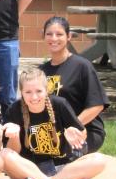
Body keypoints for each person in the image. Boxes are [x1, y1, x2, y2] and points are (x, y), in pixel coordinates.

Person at [0, 68, 106, 179]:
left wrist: (73, 135)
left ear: (46, 90)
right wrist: (15, 136)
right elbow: (12, 153)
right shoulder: (14, 110)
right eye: (28, 92)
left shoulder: (60, 104)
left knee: (99, 160)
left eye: (39, 91)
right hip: (30, 171)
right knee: (4, 154)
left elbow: (82, 135)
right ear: (21, 92)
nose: (34, 97)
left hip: (62, 169)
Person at [39, 16, 109, 153]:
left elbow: (97, 105)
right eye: (49, 34)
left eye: (59, 34)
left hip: (84, 130)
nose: (54, 38)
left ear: (69, 36)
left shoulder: (82, 66)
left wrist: (71, 127)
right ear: (44, 36)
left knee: (57, 155)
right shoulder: (41, 71)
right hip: (55, 132)